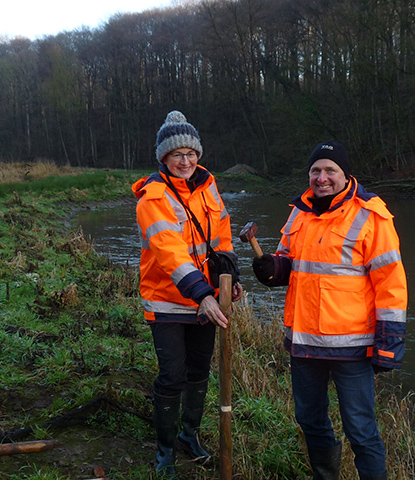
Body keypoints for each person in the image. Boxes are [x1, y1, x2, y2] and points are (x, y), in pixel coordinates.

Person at [252, 140, 407, 480]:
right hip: (305, 344)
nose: (322, 178)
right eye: (315, 171)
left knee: (361, 431)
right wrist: (272, 269)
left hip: (352, 348)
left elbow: (391, 285)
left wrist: (389, 343)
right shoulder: (299, 211)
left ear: (345, 174)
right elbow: (291, 264)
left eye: (330, 170)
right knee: (310, 420)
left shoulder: (372, 215)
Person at [132, 110, 243, 478]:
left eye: (191, 153)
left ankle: (188, 436)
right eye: (177, 154)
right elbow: (169, 252)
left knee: (199, 371)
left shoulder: (208, 186)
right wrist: (203, 295)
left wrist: (229, 277)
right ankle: (164, 452)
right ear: (164, 158)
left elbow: (221, 239)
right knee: (172, 375)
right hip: (167, 302)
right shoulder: (152, 197)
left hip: (204, 301)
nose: (186, 161)